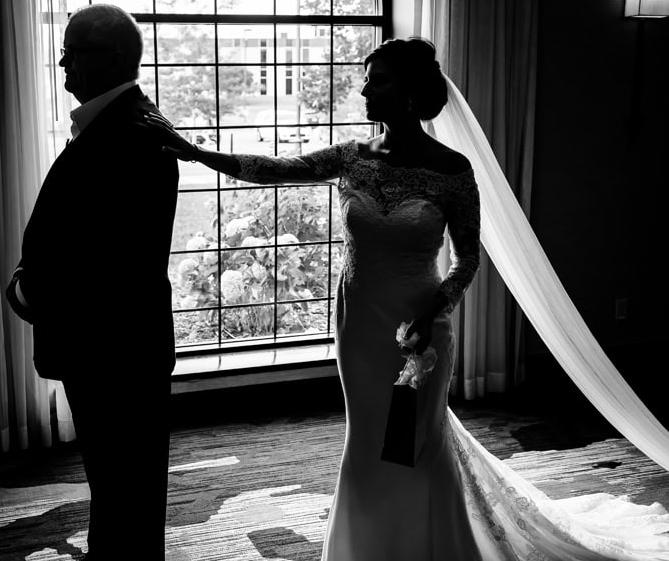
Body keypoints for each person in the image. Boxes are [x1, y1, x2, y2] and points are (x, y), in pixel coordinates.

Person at [142, 37, 669, 560]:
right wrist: (196, 153)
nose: (365, 87)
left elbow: (467, 262)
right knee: (371, 441)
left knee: (411, 445)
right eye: (366, 77)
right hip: (360, 327)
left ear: (412, 92)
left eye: (379, 78)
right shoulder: (352, 157)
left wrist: (431, 311)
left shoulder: (453, 171)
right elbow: (276, 169)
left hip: (420, 330)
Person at [6, 3, 178, 560]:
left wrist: (29, 293)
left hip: (112, 351)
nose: (61, 62)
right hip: (113, 346)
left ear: (108, 59)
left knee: (125, 488)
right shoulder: (114, 125)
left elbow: (114, 263)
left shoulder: (130, 135)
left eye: (72, 51)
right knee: (119, 486)